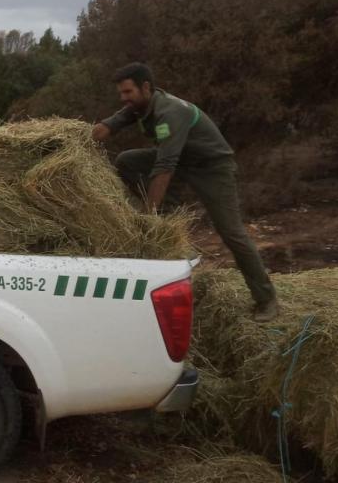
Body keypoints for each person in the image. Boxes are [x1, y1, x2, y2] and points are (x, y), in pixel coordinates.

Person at [92, 63, 278, 322]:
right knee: (127, 161)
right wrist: (73, 140)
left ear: (145, 87)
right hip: (182, 161)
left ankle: (266, 299)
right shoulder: (139, 106)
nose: (123, 98)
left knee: (231, 232)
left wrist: (149, 216)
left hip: (211, 168)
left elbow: (164, 167)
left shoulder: (171, 112)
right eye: (121, 93)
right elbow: (106, 128)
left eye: (127, 92)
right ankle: (170, 214)